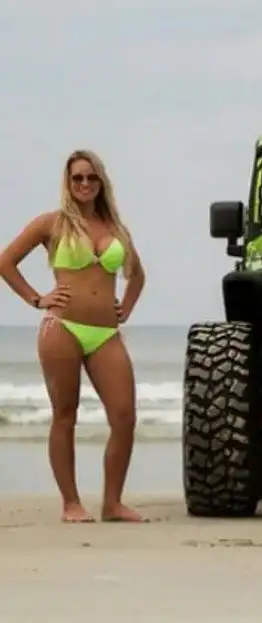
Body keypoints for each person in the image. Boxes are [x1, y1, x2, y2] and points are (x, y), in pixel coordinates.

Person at [0, 149, 147, 523]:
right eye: (78, 177)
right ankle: (71, 503)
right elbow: (5, 262)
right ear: (68, 182)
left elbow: (137, 275)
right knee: (65, 415)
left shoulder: (116, 229)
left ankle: (112, 504)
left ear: (101, 182)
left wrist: (126, 308)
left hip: (106, 333)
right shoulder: (51, 223)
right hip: (61, 328)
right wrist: (38, 299)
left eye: (91, 177)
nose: (85, 183)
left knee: (124, 416)